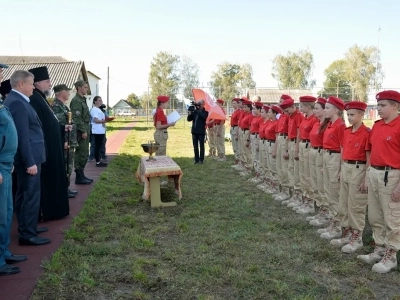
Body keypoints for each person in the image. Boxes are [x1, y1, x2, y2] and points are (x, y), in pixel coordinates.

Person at [4, 70, 50, 246]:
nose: (33, 87)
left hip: (30, 157)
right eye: (31, 84)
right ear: (21, 84)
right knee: (29, 195)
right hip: (28, 159)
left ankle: (28, 226)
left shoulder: (19, 100)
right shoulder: (17, 103)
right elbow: (22, 136)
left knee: (25, 194)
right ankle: (27, 234)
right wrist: (29, 161)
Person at [357, 90, 400, 273]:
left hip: (391, 176)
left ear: (395, 106)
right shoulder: (377, 126)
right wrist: (367, 175)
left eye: (383, 106)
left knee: (391, 217)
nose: (379, 109)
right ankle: (379, 249)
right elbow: (372, 153)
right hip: (374, 173)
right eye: (379, 105)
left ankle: (391, 256)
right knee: (374, 216)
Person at [28, 66, 69, 221]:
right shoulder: (34, 99)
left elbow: (49, 123)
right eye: (47, 81)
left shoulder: (41, 98)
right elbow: (37, 127)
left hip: (52, 146)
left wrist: (61, 127)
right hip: (45, 149)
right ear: (37, 83)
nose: (50, 84)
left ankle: (55, 210)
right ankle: (48, 211)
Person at [330, 101, 370, 253]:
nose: (350, 117)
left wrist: (365, 177)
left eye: (353, 114)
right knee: (344, 202)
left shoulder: (366, 133)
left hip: (358, 168)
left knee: (356, 204)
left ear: (361, 115)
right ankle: (346, 232)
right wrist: (341, 169)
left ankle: (357, 236)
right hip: (346, 167)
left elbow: (368, 157)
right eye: (348, 114)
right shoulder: (346, 132)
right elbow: (343, 151)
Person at [0, 66, 28, 276]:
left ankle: (4, 252)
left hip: (6, 164)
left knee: (7, 212)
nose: (2, 75)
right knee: (1, 214)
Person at [319, 96, 346, 240]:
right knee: (329, 191)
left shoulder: (340, 126)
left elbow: (343, 149)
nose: (325, 110)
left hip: (335, 158)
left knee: (335, 193)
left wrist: (341, 169)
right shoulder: (329, 124)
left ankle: (337, 226)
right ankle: (332, 222)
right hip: (328, 157)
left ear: (336, 110)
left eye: (327, 108)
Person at [50, 84, 79, 198]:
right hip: (65, 142)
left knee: (68, 166)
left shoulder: (63, 106)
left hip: (69, 141)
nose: (69, 93)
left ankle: (66, 188)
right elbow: (60, 126)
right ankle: (63, 190)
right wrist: (64, 141)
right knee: (65, 166)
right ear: (61, 92)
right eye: (67, 91)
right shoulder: (57, 106)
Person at [308, 98, 330, 227]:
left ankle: (326, 211)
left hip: (323, 153)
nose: (314, 110)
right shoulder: (316, 123)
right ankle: (320, 208)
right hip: (314, 152)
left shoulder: (327, 125)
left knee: (323, 184)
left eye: (317, 108)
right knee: (315, 181)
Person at [280, 97, 304, 209]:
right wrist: (286, 148)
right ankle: (293, 194)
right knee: (290, 168)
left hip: (295, 144)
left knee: (296, 171)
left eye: (287, 110)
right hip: (290, 143)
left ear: (292, 107)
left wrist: (296, 150)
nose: (286, 113)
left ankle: (298, 196)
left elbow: (299, 134)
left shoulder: (299, 116)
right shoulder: (290, 116)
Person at [296, 96, 318, 215]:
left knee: (309, 174)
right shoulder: (305, 118)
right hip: (302, 145)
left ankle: (310, 202)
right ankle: (305, 198)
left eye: (301, 106)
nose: (300, 108)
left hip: (309, 145)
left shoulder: (314, 119)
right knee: (303, 173)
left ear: (308, 106)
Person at [70, 80, 92, 185]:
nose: (86, 89)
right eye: (85, 87)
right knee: (81, 153)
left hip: (86, 127)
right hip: (81, 130)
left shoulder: (82, 100)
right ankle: (79, 177)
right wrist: (83, 130)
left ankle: (81, 175)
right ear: (79, 88)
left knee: (84, 152)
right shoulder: (76, 101)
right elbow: (76, 118)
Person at [273, 95, 291, 202]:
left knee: (285, 166)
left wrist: (287, 148)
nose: (280, 104)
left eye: (282, 102)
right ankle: (282, 188)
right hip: (280, 138)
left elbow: (290, 132)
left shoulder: (288, 116)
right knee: (279, 165)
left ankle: (287, 190)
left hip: (285, 139)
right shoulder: (282, 116)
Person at [187, 99, 209, 164]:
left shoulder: (205, 112)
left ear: (203, 104)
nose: (199, 105)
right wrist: (190, 113)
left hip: (201, 131)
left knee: (201, 146)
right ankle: (196, 159)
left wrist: (196, 110)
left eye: (201, 104)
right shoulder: (195, 111)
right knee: (195, 146)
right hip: (194, 131)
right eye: (198, 103)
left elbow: (203, 117)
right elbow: (189, 119)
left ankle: (201, 159)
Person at [90, 96, 108, 167]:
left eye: (101, 100)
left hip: (101, 130)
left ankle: (98, 160)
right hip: (97, 131)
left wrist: (104, 122)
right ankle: (97, 161)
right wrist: (104, 121)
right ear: (95, 101)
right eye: (99, 100)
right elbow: (95, 120)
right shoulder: (94, 110)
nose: (101, 102)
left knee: (99, 146)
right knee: (97, 146)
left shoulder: (98, 109)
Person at [237, 100, 254, 176]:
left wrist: (248, 138)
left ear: (249, 108)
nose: (243, 108)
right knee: (244, 150)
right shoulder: (245, 114)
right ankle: (246, 166)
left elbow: (250, 128)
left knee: (247, 151)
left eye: (245, 107)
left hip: (247, 132)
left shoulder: (250, 116)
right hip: (243, 131)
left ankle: (249, 167)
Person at [248, 101, 263, 182]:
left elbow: (260, 130)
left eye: (254, 109)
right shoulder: (255, 118)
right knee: (254, 155)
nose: (253, 110)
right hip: (253, 136)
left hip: (257, 136)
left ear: (259, 109)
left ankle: (259, 174)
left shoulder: (260, 118)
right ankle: (256, 172)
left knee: (257, 156)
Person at [230, 98, 241, 165]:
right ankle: (236, 158)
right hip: (233, 128)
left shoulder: (238, 112)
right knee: (234, 144)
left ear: (237, 103)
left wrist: (237, 133)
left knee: (237, 145)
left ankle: (238, 160)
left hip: (236, 128)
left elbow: (238, 123)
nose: (233, 105)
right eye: (232, 103)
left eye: (234, 103)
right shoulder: (234, 111)